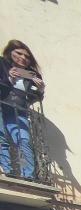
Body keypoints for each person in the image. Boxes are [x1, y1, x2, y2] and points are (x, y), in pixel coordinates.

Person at [0, 40, 44, 179]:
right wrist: (8, 78)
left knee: (24, 141)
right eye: (19, 53)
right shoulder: (1, 64)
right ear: (10, 52)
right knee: (1, 139)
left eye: (27, 56)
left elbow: (33, 97)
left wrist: (40, 90)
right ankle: (8, 171)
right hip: (1, 106)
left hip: (18, 110)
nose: (23, 58)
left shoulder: (32, 75)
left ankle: (28, 176)